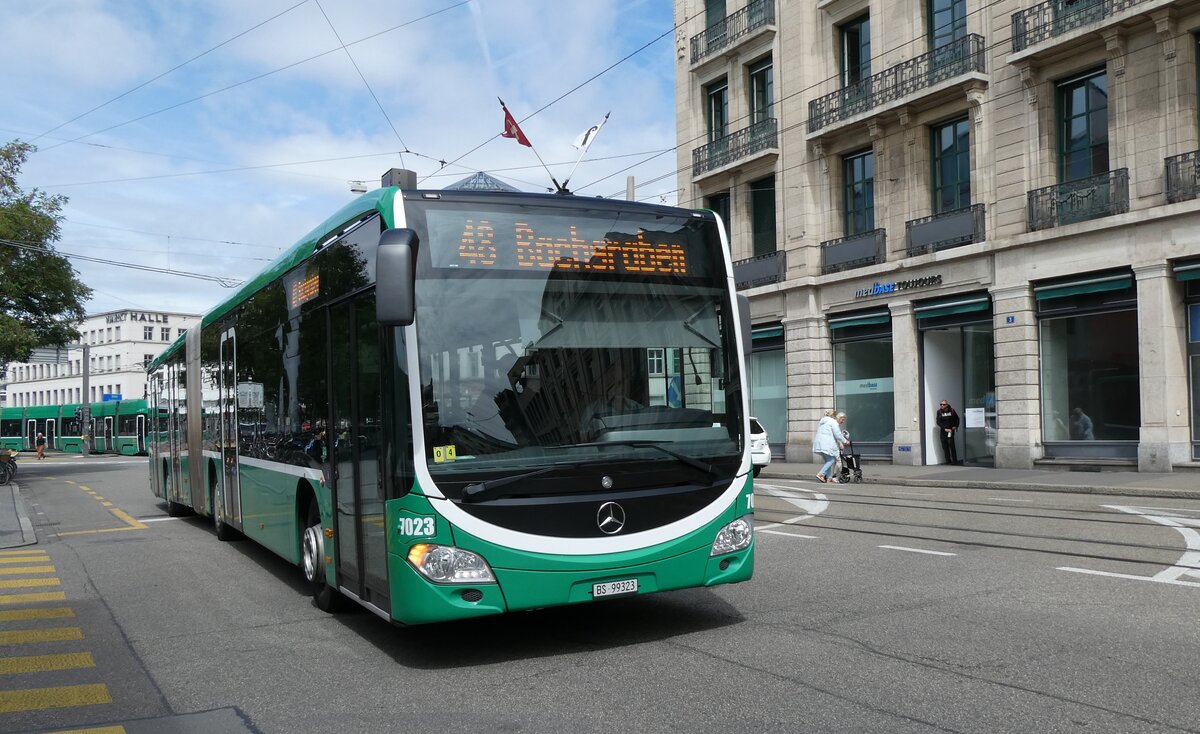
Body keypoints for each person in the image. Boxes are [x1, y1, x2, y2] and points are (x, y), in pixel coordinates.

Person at [811, 409, 844, 483]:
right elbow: (837, 434)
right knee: (832, 460)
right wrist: (845, 441)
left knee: (827, 461)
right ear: (833, 416)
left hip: (819, 443)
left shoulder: (822, 422)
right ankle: (820, 474)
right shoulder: (833, 422)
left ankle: (829, 478)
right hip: (827, 444)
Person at [935, 400, 960, 465]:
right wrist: (944, 428)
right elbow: (938, 422)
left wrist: (955, 426)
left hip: (950, 431)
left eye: (943, 404)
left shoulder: (952, 411)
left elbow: (957, 419)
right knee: (945, 446)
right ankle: (948, 461)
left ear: (947, 405)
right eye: (941, 404)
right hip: (943, 431)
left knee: (951, 446)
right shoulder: (939, 412)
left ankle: (955, 461)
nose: (942, 406)